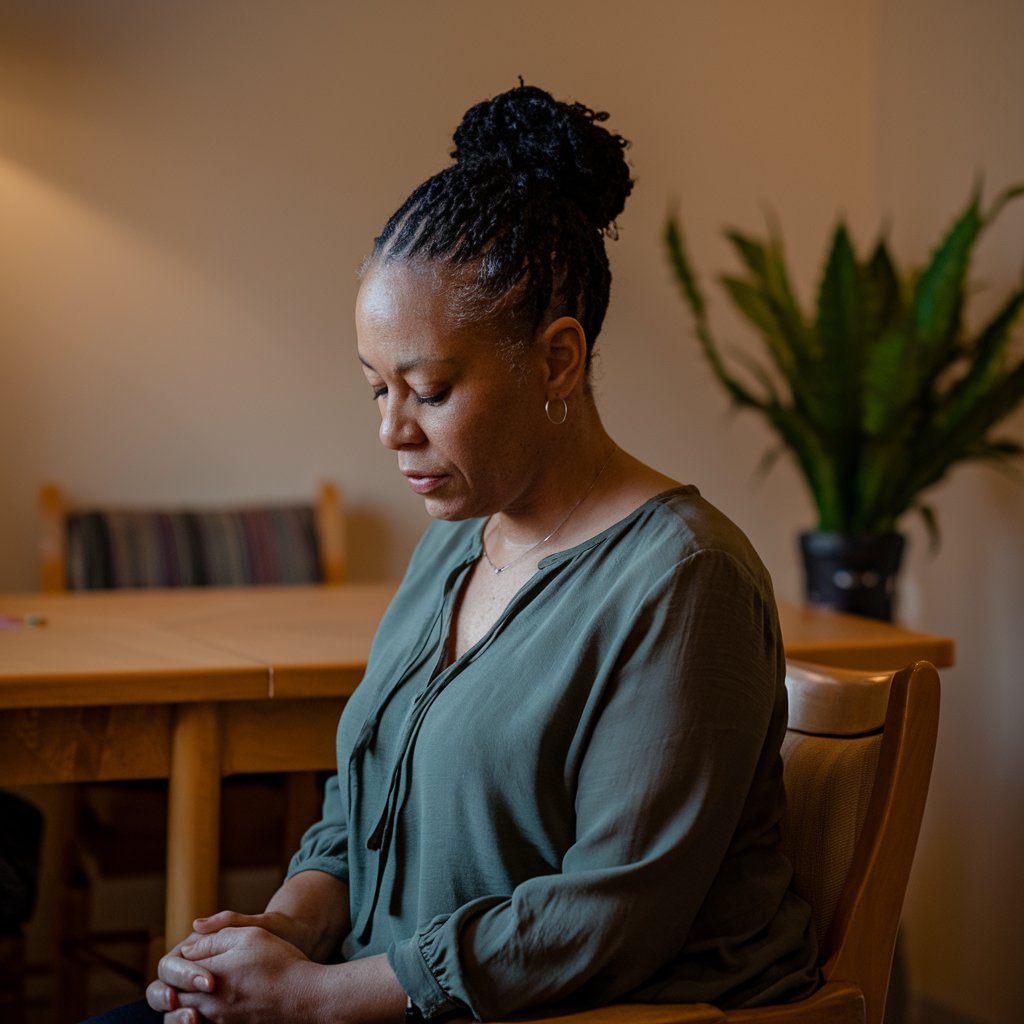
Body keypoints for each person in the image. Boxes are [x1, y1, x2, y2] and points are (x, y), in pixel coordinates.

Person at [94, 83, 819, 1024]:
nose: (393, 430)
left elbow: (611, 916)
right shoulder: (456, 546)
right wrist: (281, 935)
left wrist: (317, 1000)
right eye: (374, 388)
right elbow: (362, 807)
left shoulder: (685, 581)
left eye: (429, 391)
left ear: (558, 361)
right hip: (377, 990)